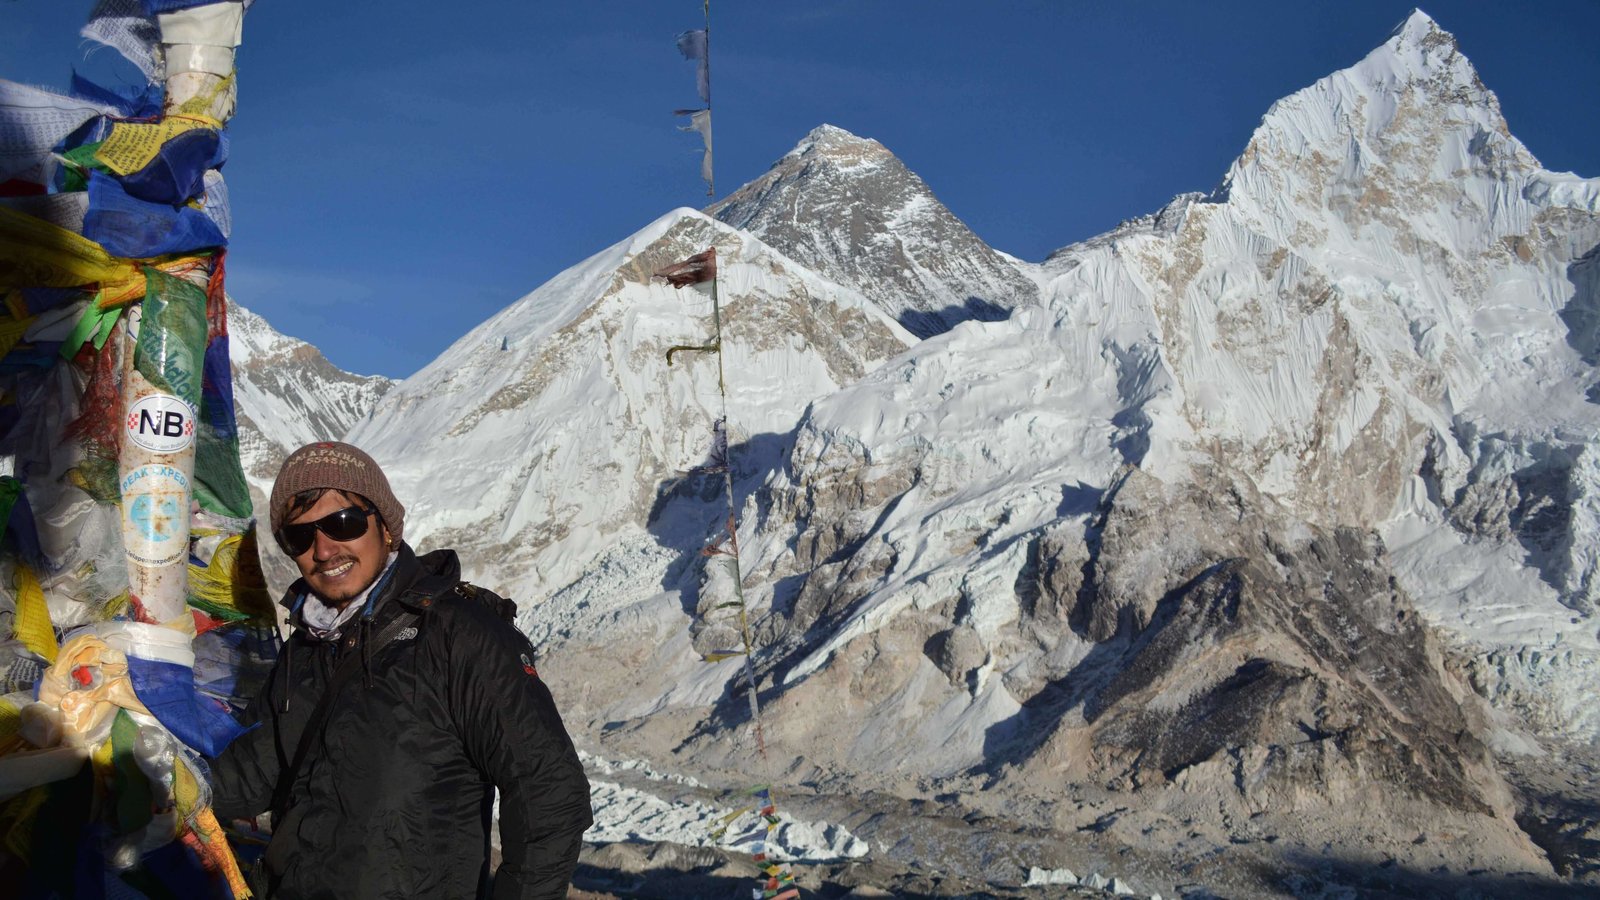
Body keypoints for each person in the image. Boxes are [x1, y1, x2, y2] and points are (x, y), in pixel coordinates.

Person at [209, 441, 592, 899]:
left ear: (385, 527)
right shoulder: (306, 648)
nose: (324, 549)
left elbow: (549, 794)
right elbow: (252, 775)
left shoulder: (458, 636)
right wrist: (141, 772)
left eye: (342, 523)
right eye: (299, 536)